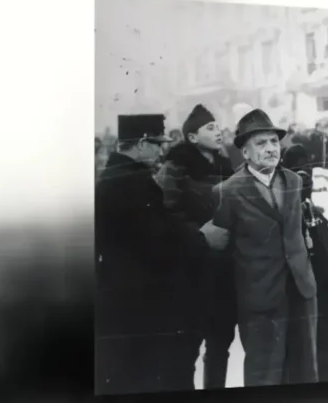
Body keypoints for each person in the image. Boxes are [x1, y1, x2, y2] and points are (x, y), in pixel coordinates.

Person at [94, 114, 228, 395]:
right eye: (157, 144)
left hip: (126, 300)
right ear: (142, 143)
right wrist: (201, 238)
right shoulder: (131, 183)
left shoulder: (118, 176)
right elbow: (157, 238)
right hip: (141, 303)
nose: (161, 150)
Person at [211, 109, 319, 386]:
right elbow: (222, 250)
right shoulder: (228, 191)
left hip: (301, 291)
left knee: (305, 372)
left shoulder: (294, 181)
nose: (271, 148)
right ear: (244, 152)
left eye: (274, 141)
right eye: (261, 143)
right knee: (264, 377)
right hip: (260, 299)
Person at [155, 104, 237, 389]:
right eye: (210, 128)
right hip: (190, 272)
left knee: (220, 343)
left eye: (218, 126)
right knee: (186, 349)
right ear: (192, 137)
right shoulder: (175, 168)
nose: (218, 132)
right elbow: (163, 215)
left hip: (224, 269)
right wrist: (198, 234)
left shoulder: (226, 166)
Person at [280, 144, 328, 382]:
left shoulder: (307, 207)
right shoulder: (302, 204)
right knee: (321, 341)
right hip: (317, 289)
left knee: (321, 341)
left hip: (319, 288)